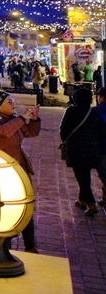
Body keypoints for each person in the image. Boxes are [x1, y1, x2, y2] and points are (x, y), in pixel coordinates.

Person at [0, 89, 42, 251]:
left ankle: (30, 246)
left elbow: (30, 132)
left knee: (26, 206)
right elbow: (2, 131)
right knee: (6, 209)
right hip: (2, 172)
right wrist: (21, 118)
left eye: (13, 101)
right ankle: (2, 248)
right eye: (10, 102)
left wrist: (34, 119)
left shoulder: (11, 119)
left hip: (19, 168)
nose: (13, 104)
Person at [61, 88, 105, 217]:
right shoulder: (94, 113)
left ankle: (91, 203)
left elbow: (64, 131)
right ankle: (81, 200)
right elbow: (102, 131)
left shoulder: (71, 111)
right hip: (92, 150)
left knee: (81, 177)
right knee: (84, 175)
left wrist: (67, 142)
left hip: (76, 149)